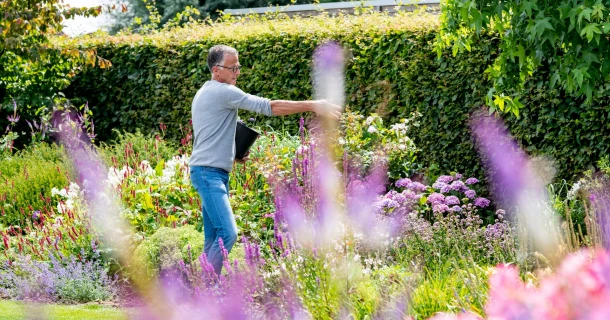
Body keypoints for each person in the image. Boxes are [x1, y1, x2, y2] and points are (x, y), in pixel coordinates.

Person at [189, 44, 342, 276]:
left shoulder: (205, 91)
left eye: (238, 67)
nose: (236, 73)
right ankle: (206, 292)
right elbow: (269, 107)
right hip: (209, 174)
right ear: (216, 70)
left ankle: (201, 296)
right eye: (232, 68)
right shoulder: (224, 92)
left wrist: (232, 153)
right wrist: (313, 105)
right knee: (228, 234)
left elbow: (209, 132)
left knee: (213, 239)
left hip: (209, 171)